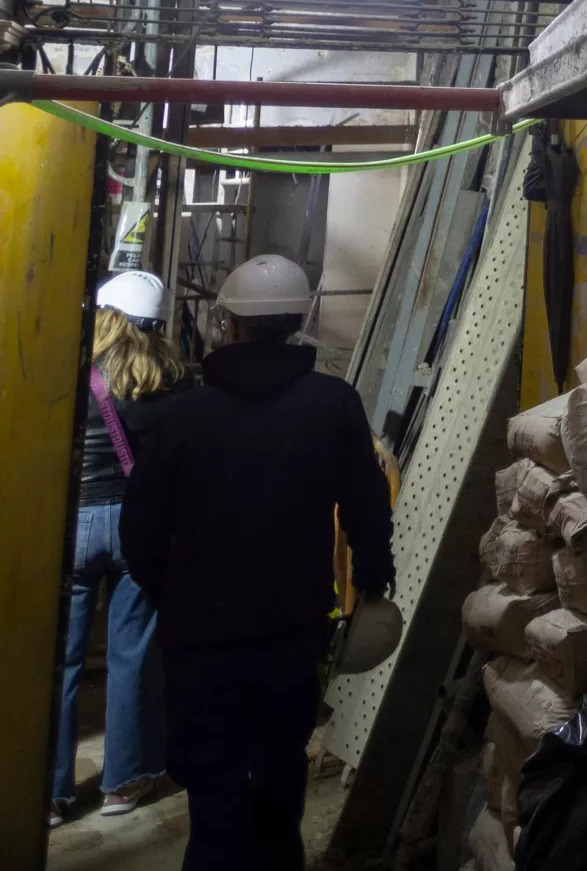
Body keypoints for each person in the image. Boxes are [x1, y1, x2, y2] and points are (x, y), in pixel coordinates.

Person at [122, 254, 396, 870]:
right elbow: (366, 502)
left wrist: (173, 593)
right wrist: (374, 579)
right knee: (279, 792)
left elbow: (140, 529)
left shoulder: (184, 416)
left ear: (231, 326)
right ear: (296, 322)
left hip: (202, 640)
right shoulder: (332, 405)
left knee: (215, 796)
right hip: (292, 634)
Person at [50, 270, 187, 828]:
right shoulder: (166, 383)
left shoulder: (70, 372)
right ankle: (123, 782)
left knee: (60, 658)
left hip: (74, 524)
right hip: (137, 526)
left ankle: (52, 794)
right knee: (132, 652)